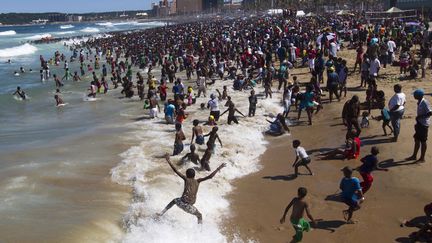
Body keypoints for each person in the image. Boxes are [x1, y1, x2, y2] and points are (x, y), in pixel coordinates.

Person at [157, 154, 226, 224]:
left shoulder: (186, 179)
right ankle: (200, 230)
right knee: (199, 216)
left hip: (181, 203)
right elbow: (210, 176)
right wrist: (219, 168)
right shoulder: (198, 181)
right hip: (189, 207)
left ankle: (161, 213)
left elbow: (175, 170)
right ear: (194, 175)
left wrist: (168, 160)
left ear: (187, 175)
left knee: (174, 200)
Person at [406, 89, 432, 163]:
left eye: (415, 95)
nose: (414, 96)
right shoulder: (420, 102)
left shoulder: (425, 102)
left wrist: (420, 117)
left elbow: (430, 113)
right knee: (417, 139)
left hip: (423, 124)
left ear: (418, 95)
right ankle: (414, 156)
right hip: (419, 124)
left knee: (423, 141)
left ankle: (422, 158)